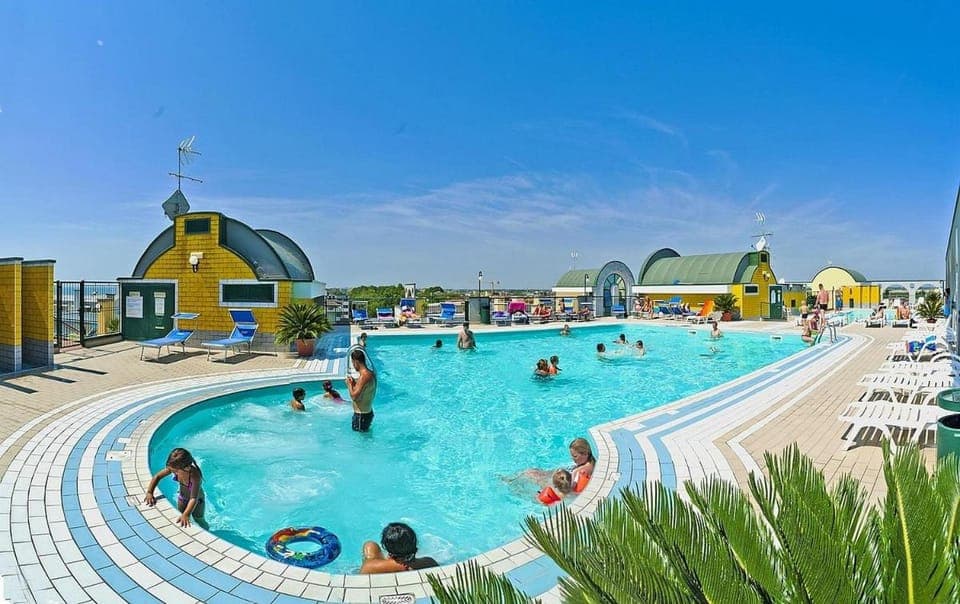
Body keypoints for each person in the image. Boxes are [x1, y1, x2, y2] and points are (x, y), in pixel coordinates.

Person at [144, 448, 205, 527]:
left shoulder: (195, 476)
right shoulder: (174, 467)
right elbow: (157, 476)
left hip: (197, 501)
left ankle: (206, 530)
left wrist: (186, 514)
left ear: (187, 467)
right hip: (182, 498)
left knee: (199, 520)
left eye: (175, 471)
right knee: (180, 517)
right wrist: (149, 492)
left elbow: (194, 498)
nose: (172, 472)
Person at [360, 523, 439, 574]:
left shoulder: (369, 567)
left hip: (383, 565)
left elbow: (363, 571)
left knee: (370, 545)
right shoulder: (430, 562)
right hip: (412, 562)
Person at [346, 349, 377, 432]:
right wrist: (353, 384)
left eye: (353, 363)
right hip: (367, 413)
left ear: (356, 361)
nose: (353, 366)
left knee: (360, 442)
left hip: (361, 416)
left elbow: (354, 397)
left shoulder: (364, 377)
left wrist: (349, 384)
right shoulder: (371, 373)